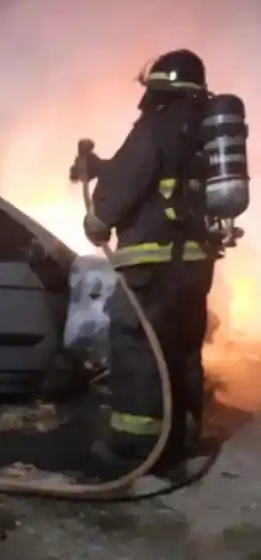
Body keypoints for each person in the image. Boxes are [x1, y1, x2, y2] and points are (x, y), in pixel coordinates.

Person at [72, 49, 219, 477]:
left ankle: (135, 449)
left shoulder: (157, 122)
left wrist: (99, 217)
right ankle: (181, 438)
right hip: (193, 267)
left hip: (151, 267)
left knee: (137, 348)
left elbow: (131, 174)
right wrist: (99, 166)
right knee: (182, 350)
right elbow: (160, 176)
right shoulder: (203, 129)